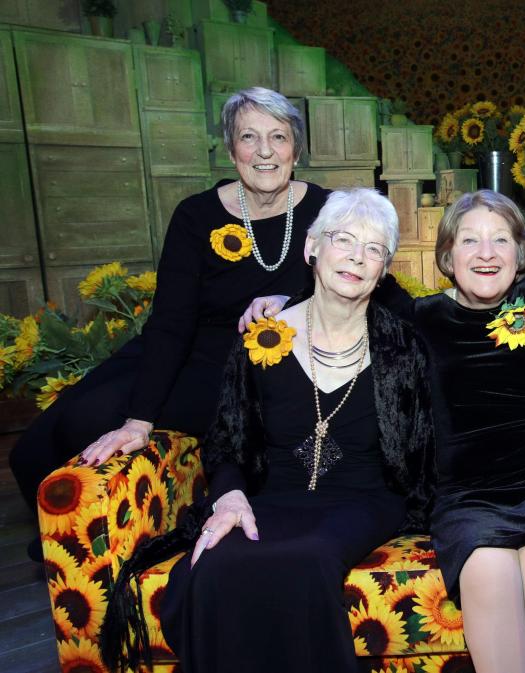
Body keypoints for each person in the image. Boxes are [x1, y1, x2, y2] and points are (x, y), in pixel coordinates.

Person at [102, 188, 435, 673]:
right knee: (215, 566)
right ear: (312, 248)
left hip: (363, 499)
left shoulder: (402, 346)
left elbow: (425, 448)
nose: (356, 258)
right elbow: (227, 441)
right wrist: (231, 497)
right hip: (270, 498)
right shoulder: (263, 337)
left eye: (374, 249)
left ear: (384, 270)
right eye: (343, 240)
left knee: (309, 559)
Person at [10, 87, 330, 559]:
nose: (265, 151)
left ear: (296, 150)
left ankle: (73, 549)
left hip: (255, 367)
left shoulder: (328, 209)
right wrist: (139, 421)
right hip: (185, 347)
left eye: (278, 137)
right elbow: (172, 319)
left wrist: (296, 299)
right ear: (230, 149)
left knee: (90, 421)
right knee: (53, 432)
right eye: (249, 136)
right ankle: (63, 543)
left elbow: (362, 285)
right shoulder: (195, 214)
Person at [376, 190, 525, 673]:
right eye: (470, 240)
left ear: (520, 253)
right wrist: (285, 296)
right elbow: (347, 283)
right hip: (467, 498)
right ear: (447, 256)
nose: (486, 253)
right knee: (488, 572)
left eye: (500, 240)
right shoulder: (421, 318)